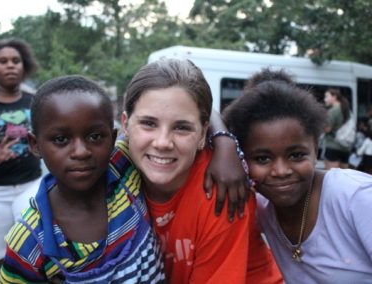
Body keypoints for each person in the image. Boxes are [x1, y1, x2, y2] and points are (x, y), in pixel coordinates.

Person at [121, 59, 282, 283]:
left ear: (202, 133)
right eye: (149, 123)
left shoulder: (222, 189)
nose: (163, 142)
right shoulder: (114, 174)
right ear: (125, 125)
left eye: (181, 127)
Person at [0, 75, 165, 283]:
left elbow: (192, 107)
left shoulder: (123, 166)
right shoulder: (29, 240)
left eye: (95, 136)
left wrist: (218, 139)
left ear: (113, 139)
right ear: (35, 144)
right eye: (61, 139)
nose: (81, 152)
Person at [223, 68, 372, 283]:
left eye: (296, 155)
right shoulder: (261, 207)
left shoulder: (356, 197)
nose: (281, 171)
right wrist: (223, 144)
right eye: (263, 159)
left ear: (315, 147)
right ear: (242, 159)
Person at [0, 38, 42, 284]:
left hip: (30, 187)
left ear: (24, 67)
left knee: (36, 256)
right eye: (3, 61)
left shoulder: (36, 102)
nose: (10, 65)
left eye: (16, 61)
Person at [322, 88, 352, 169]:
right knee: (342, 176)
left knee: (330, 175)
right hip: (346, 147)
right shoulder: (347, 111)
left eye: (327, 96)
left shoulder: (333, 111)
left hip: (333, 146)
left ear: (334, 97)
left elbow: (327, 129)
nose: (325, 99)